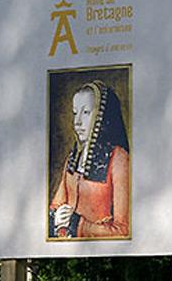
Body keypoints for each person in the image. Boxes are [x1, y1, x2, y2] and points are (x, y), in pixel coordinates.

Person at [49, 80, 130, 239]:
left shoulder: (118, 159)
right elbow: (56, 204)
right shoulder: (73, 157)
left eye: (85, 113)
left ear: (101, 116)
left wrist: (78, 224)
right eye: (75, 113)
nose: (77, 122)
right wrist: (57, 216)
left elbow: (123, 230)